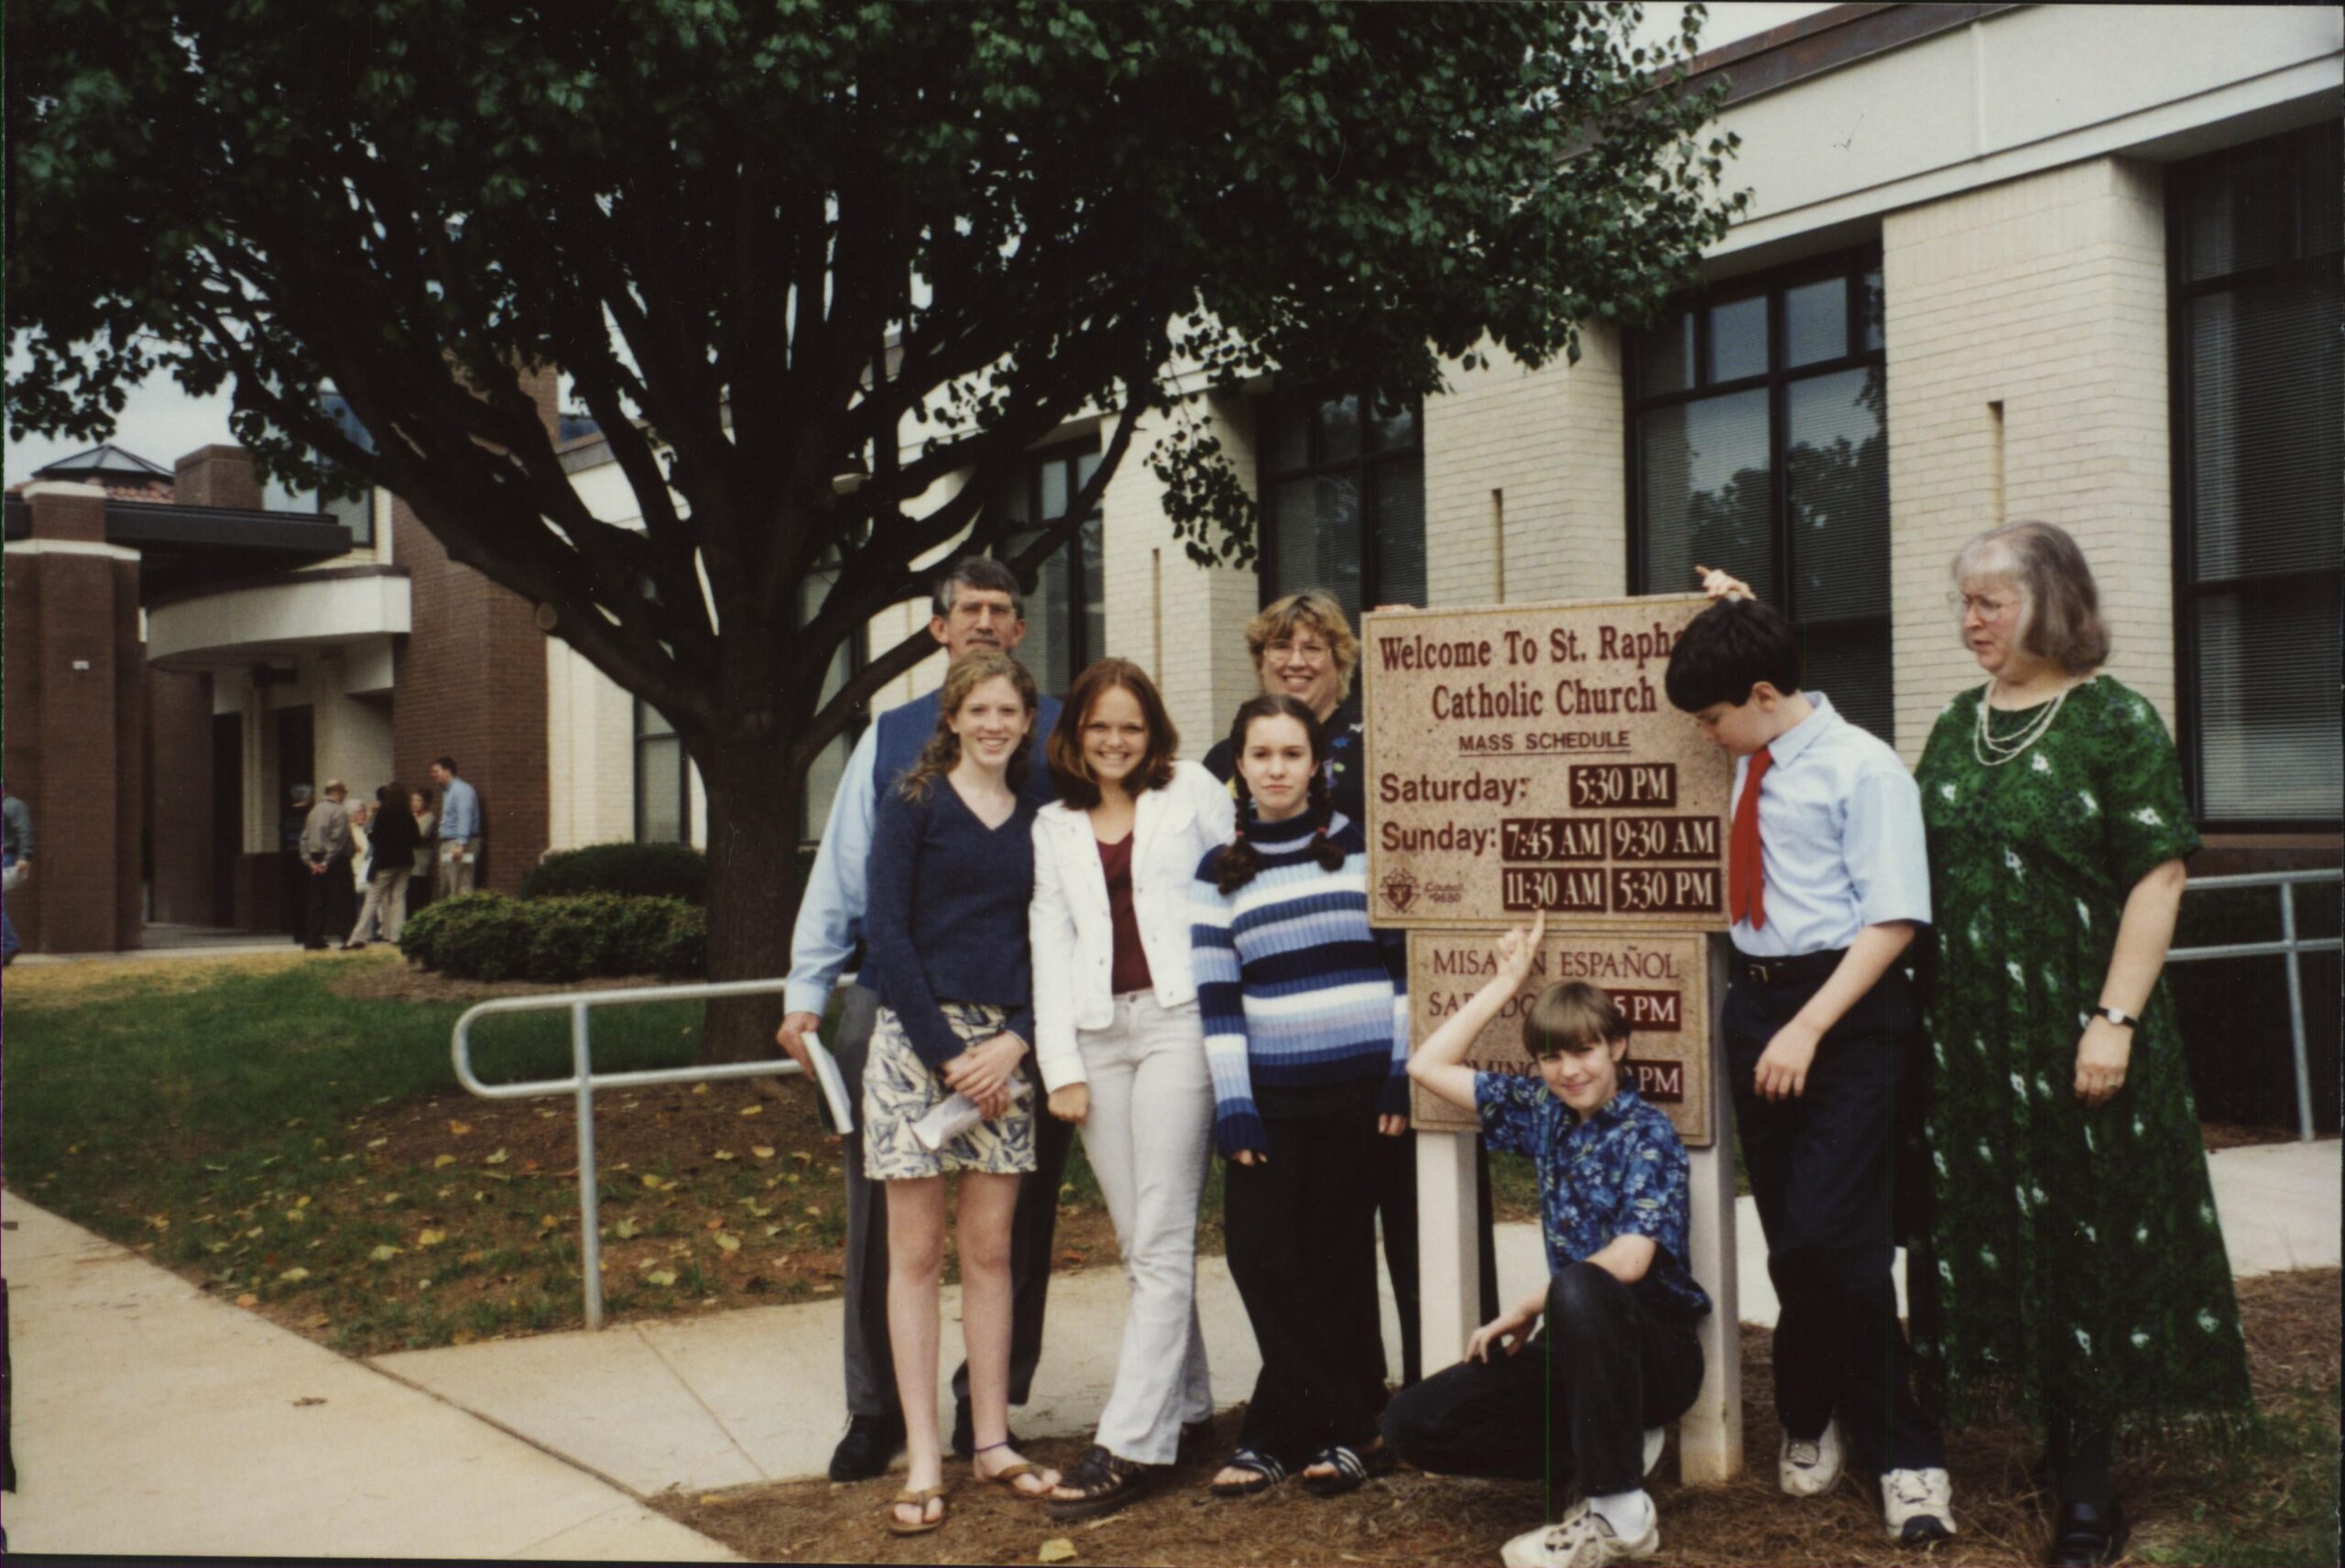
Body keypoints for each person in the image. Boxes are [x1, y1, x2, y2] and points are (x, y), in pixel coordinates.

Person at [1903, 524, 2252, 1568]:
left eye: (1989, 602)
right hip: (1967, 1039)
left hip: (2077, 1029)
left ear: (2051, 602)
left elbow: (2158, 874)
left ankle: (2091, 1487)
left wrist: (2113, 1020)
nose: (1970, 622)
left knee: (2084, 1232)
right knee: (2004, 1233)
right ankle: (2053, 1435)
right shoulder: (1954, 726)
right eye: (1962, 602)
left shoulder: (2115, 719)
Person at [1664, 584, 1955, 1543]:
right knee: (1794, 1232)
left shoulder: (1861, 768)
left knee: (1841, 1237)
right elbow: (1751, 660)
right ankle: (1810, 1409)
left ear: (1759, 691)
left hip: (1848, 1010)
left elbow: (1895, 918)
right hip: (1760, 1003)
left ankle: (1906, 1454)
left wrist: (1810, 1027)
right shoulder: (1755, 743)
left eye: (1711, 717)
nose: (1705, 735)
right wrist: (1735, 600)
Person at [776, 556, 1073, 1483]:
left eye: (1000, 609)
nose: (983, 621)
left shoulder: (1055, 736)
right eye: (966, 609)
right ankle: (878, 1412)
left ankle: (987, 1406)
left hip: (1025, 1013)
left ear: (1018, 631)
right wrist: (805, 987)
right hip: (900, 1004)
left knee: (1011, 1228)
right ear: (938, 627)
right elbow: (849, 877)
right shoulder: (893, 737)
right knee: (887, 1226)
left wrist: (1026, 1028)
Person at [1199, 588, 1500, 1389]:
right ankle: (1344, 1399)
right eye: (1281, 648)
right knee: (1322, 1239)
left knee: (1426, 1222)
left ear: (1345, 663)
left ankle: (1460, 1384)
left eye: (1317, 649)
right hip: (1287, 1036)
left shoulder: (1386, 736)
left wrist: (1418, 651)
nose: (1297, 661)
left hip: (1404, 1003)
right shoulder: (1225, 762)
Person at [1385, 914, 1710, 1568]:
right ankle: (1605, 1451)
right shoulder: (1543, 1112)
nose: (1568, 1070)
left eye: (1585, 1050)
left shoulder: (1647, 1133)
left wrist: (1527, 1305)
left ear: (1617, 1047)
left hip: (1654, 1354)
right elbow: (1426, 1063)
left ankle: (1618, 1511)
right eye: (1552, 1056)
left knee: (1583, 1284)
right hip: (1573, 1347)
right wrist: (1507, 982)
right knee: (1411, 1422)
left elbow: (1631, 1257)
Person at [860, 648, 1062, 1535]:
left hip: (1006, 1051)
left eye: (1007, 711)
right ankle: (924, 1454)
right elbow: (887, 933)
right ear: (952, 716)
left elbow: (1049, 938)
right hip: (917, 1046)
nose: (992, 723)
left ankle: (990, 1440)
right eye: (976, 709)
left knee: (990, 1254)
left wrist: (1014, 1040)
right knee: (914, 1257)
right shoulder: (911, 803)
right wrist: (949, 1055)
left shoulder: (1040, 817)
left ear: (1026, 722)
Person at [1191, 693, 1410, 1499]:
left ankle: (1293, 1432)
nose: (1276, 769)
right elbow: (1218, 999)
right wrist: (1233, 1102)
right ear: (1239, 767)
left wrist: (1399, 1068)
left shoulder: (1364, 848)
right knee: (1260, 1255)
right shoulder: (1218, 871)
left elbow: (1403, 969)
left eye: (1292, 753)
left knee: (1339, 1261)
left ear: (1317, 764)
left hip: (1361, 1092)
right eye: (1261, 754)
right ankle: (1349, 1417)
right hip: (1273, 1098)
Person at [1029, 659, 1235, 1519]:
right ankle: (1186, 1408)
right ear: (1076, 734)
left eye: (1132, 727)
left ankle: (1129, 1441)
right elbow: (1048, 943)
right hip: (1094, 1039)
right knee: (1138, 1239)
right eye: (1100, 727)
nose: (1115, 741)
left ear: (1154, 734)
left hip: (1177, 1023)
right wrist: (1061, 1069)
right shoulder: (1052, 824)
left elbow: (1235, 886)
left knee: (1160, 1235)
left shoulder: (1190, 790)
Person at [350, 782, 419, 948]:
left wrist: (372, 835)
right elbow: (416, 839)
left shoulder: (383, 814)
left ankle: (358, 937)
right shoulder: (408, 815)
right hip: (405, 862)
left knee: (372, 900)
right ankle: (397, 936)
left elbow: (376, 838)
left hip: (385, 863)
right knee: (398, 899)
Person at [300, 780, 356, 951]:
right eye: (345, 791)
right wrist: (327, 861)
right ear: (338, 791)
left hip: (315, 857)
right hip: (336, 860)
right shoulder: (339, 811)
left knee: (318, 901)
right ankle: (348, 938)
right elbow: (337, 839)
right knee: (343, 900)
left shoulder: (314, 811)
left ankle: (312, 938)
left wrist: (309, 861)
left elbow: (304, 837)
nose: (345, 794)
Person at [430, 757, 481, 898]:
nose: (433, 775)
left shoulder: (461, 790)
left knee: (460, 887)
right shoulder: (448, 791)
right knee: (449, 886)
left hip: (458, 844)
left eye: (436, 771)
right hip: (450, 842)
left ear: (447, 771)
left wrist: (461, 844)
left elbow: (465, 817)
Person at [3, 786, 32, 965]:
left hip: (8, 857)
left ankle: (9, 945)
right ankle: (7, 945)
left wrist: (25, 856)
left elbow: (24, 831)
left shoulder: (14, 805)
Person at [407, 787, 437, 922]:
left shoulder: (430, 819)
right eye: (413, 800)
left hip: (421, 864)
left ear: (426, 802)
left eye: (418, 800)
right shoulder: (411, 817)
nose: (414, 803)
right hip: (408, 864)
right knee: (409, 898)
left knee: (420, 897)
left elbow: (419, 838)